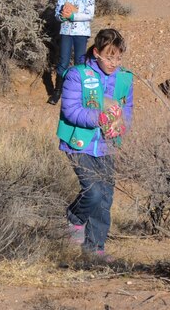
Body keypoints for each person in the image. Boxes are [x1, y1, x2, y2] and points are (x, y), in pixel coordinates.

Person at [56, 28, 133, 262]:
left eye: (118, 57)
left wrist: (122, 125)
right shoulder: (77, 74)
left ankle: (95, 249)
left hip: (107, 145)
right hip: (79, 144)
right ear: (97, 52)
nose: (114, 62)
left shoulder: (124, 78)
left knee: (106, 197)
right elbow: (70, 110)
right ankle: (75, 217)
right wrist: (97, 118)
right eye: (109, 56)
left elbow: (126, 108)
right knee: (94, 191)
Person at [48, 0, 95, 105]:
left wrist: (73, 16)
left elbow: (89, 15)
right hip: (66, 32)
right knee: (63, 61)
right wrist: (62, 17)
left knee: (80, 62)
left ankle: (79, 93)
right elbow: (57, 14)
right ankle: (57, 91)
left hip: (81, 33)